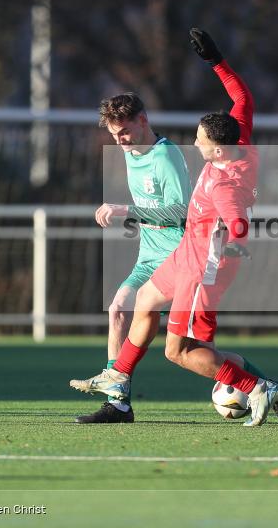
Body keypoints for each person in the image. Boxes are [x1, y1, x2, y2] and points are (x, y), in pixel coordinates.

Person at [71, 27, 278, 427]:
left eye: (199, 139)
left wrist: (230, 243)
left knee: (180, 351)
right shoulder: (237, 138)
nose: (194, 143)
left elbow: (237, 222)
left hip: (200, 265)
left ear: (217, 148)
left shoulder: (227, 180)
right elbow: (243, 98)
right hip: (185, 256)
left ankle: (260, 387)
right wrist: (217, 61)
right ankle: (118, 376)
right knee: (140, 303)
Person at [68, 91, 190, 423]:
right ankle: (117, 403)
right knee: (119, 309)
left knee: (188, 351)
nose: (120, 141)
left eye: (125, 132)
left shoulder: (166, 156)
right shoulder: (130, 150)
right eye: (114, 135)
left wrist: (125, 210)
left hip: (180, 257)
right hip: (149, 258)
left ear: (143, 120)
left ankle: (261, 387)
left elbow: (181, 213)